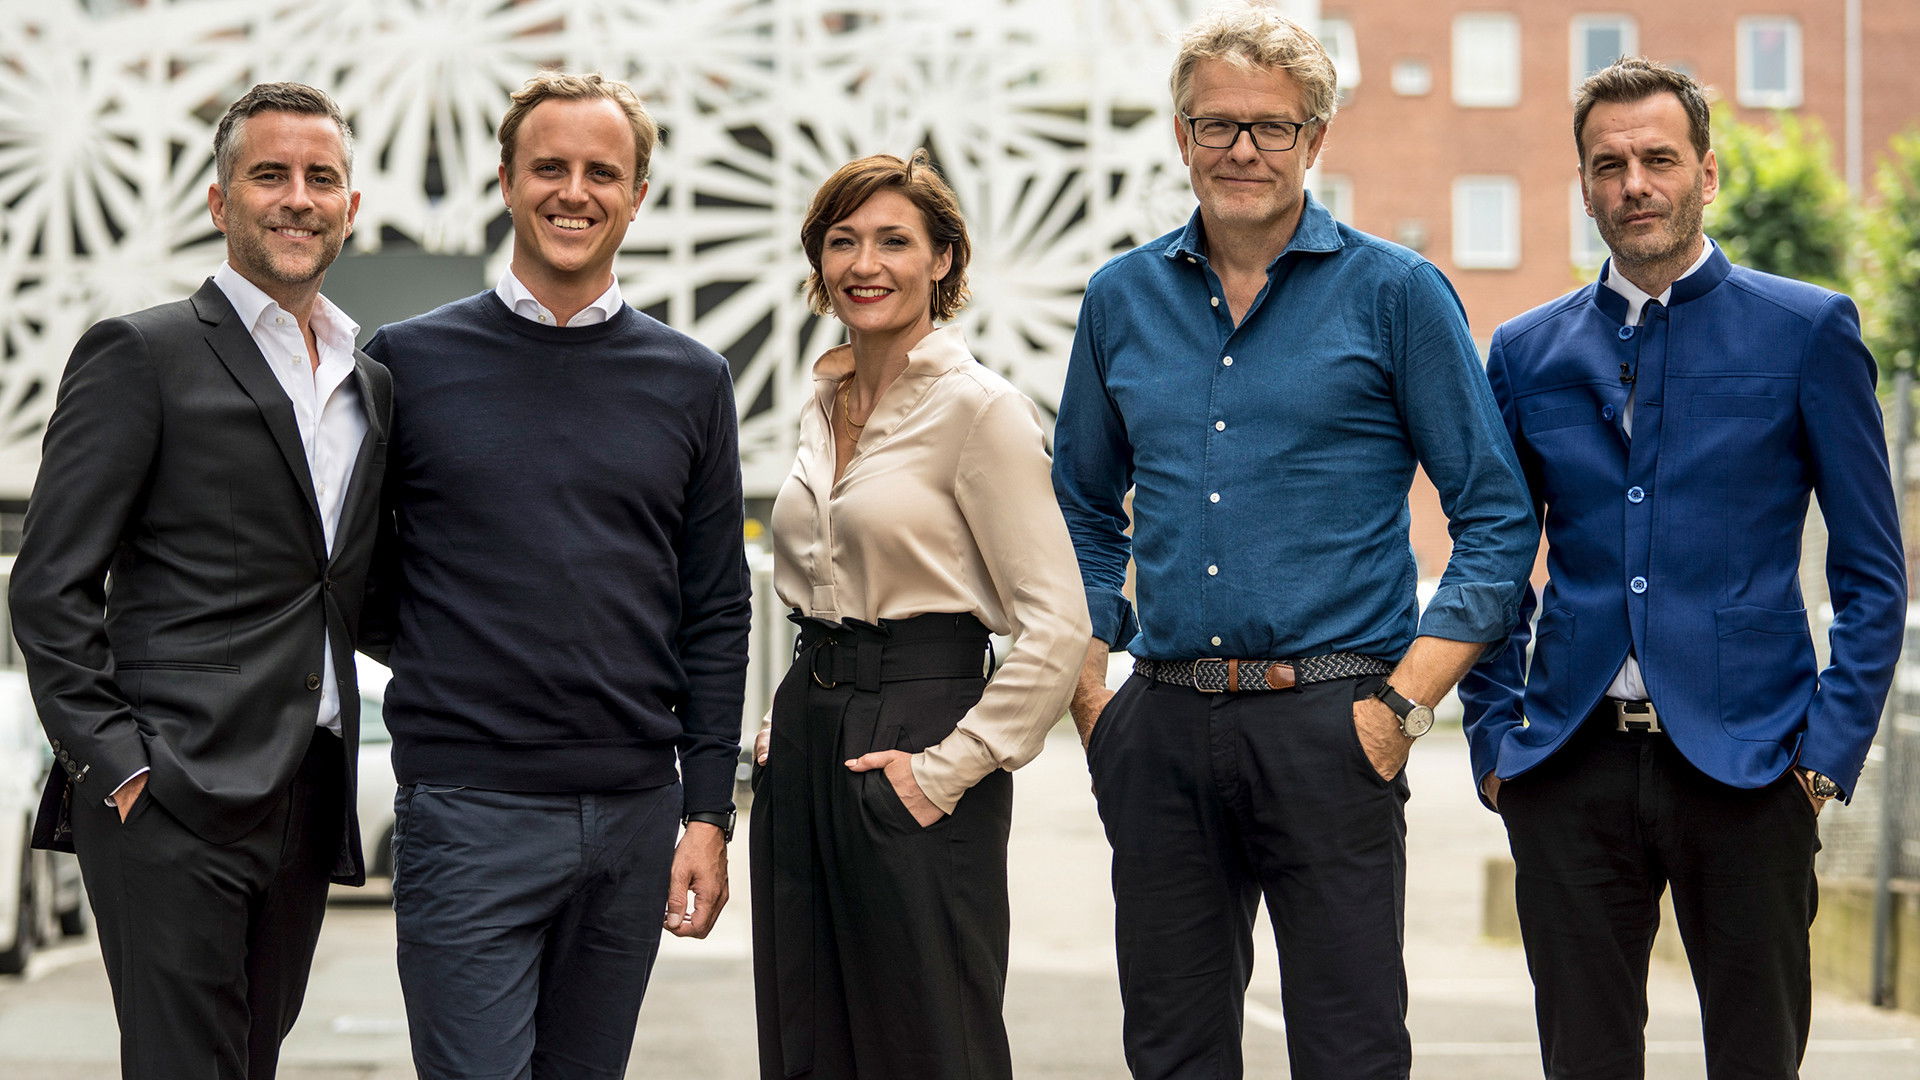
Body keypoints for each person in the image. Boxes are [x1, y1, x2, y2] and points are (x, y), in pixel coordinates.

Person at [1050, 7, 1537, 1079]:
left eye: (1272, 127)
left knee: (1349, 1052)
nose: (1243, 150)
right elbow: (1081, 507)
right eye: (1216, 125)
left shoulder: (1396, 294)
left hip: (1335, 722)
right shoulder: (1120, 300)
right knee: (1171, 1054)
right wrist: (1091, 689)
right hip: (1161, 724)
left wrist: (1403, 707)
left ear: (1315, 138)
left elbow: (1498, 518)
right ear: (1181, 135)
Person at [1458, 57, 1906, 1079]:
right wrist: (1495, 741)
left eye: (1659, 159)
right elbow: (1494, 559)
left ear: (1706, 173)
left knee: (1755, 1061)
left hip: (1753, 769)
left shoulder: (1808, 331)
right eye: (1608, 165)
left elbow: (1873, 575)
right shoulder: (1524, 352)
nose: (1635, 185)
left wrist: (1822, 762)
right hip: (1567, 766)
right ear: (1583, 187)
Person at [360, 71, 750, 1079]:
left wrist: (707, 813)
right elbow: (355, 576)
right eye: (549, 167)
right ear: (505, 180)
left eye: (601, 173)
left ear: (638, 195)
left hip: (633, 818)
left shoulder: (693, 380)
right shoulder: (406, 362)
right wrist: (463, 659)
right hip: (466, 810)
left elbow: (715, 608)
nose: (574, 192)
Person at [9, 83, 387, 1078]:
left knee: (251, 1061)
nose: (298, 197)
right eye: (270, 175)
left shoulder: (369, 382)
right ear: (221, 202)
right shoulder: (141, 354)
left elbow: (343, 584)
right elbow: (49, 586)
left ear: (351, 205)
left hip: (307, 790)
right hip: (170, 795)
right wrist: (119, 765)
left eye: (321, 177)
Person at [749, 149, 1087, 1080]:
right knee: (807, 1033)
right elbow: (819, 585)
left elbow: (1057, 623)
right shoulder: (823, 404)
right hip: (810, 730)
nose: (866, 264)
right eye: (843, 241)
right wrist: (791, 714)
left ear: (942, 259)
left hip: (920, 726)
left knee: (931, 1041)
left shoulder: (982, 411)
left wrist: (952, 769)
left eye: (894, 241)